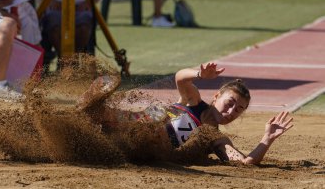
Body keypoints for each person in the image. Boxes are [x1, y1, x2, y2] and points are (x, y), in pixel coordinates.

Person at [74, 62, 294, 165]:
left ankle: (96, 113)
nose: (231, 112)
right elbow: (181, 78)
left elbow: (243, 163)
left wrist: (267, 139)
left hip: (143, 147)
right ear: (216, 96)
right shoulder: (193, 101)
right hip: (140, 122)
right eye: (230, 103)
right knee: (156, 113)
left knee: (146, 128)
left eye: (239, 110)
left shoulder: (216, 138)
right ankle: (94, 110)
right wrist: (199, 73)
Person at [39, 0, 103, 63]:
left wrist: (89, 2)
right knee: (54, 28)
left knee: (83, 29)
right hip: (55, 7)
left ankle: (73, 61)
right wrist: (51, 0)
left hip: (82, 7)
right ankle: (64, 60)